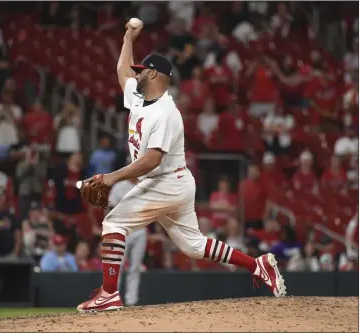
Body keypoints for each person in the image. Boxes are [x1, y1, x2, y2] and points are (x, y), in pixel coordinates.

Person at [77, 20, 286, 313]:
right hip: (174, 183)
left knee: (114, 223)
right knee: (193, 246)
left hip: (164, 181)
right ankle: (258, 265)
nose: (134, 75)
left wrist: (111, 178)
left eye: (141, 71)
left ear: (153, 73)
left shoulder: (166, 113)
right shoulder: (138, 97)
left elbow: (152, 159)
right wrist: (128, 38)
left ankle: (109, 294)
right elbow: (122, 72)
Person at [108, 178, 147, 307]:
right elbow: (110, 208)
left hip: (140, 230)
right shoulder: (119, 186)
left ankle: (132, 300)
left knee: (135, 267)